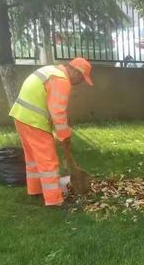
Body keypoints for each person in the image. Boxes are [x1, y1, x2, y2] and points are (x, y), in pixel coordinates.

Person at [9, 57, 93, 207]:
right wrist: (64, 136)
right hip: (34, 121)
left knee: (33, 159)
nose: (80, 82)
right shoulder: (62, 81)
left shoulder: (51, 71)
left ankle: (35, 191)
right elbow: (58, 113)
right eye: (81, 78)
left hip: (21, 116)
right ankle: (54, 200)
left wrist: (61, 135)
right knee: (48, 162)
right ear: (75, 71)